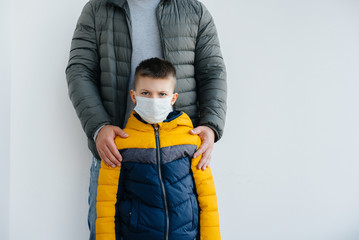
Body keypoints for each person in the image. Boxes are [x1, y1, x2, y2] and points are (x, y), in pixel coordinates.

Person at [65, 0, 226, 239]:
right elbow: (79, 69)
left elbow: (213, 70)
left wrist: (211, 125)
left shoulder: (193, 10)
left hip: (180, 155)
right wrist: (98, 126)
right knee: (105, 230)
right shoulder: (99, 8)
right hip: (115, 152)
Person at [94, 57, 220, 240]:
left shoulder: (191, 140)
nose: (154, 100)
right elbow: (106, 205)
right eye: (145, 93)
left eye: (162, 94)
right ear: (133, 95)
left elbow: (207, 199)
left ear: (173, 98)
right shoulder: (119, 144)